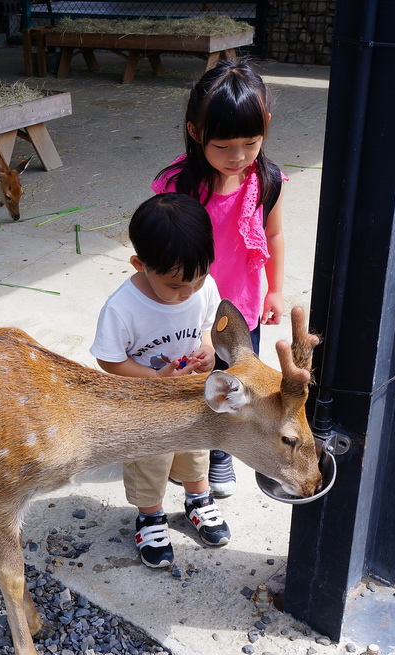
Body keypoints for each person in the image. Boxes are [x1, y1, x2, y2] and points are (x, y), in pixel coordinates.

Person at [153, 58, 287, 499]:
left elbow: (274, 233)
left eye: (250, 142)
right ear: (195, 133)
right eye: (223, 146)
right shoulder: (180, 185)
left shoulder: (266, 181)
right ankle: (192, 450)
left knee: (239, 383)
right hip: (193, 310)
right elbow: (164, 248)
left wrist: (276, 289)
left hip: (242, 307)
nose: (237, 157)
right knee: (198, 380)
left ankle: (223, 454)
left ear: (265, 125)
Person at [90, 193, 231, 568]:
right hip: (146, 405)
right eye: (174, 285)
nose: (188, 292)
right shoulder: (123, 307)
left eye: (198, 280)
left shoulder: (204, 287)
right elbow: (110, 359)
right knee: (150, 459)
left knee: (196, 447)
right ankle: (150, 516)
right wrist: (153, 377)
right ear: (140, 264)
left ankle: (198, 499)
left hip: (189, 393)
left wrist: (208, 351)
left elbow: (206, 328)